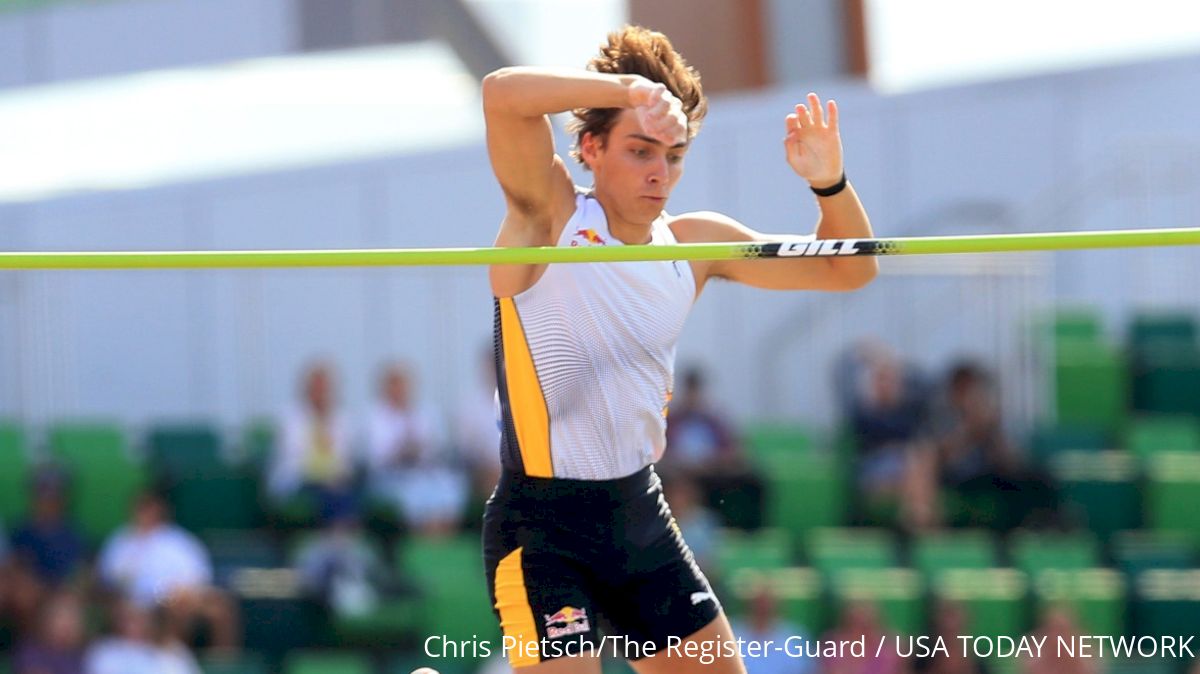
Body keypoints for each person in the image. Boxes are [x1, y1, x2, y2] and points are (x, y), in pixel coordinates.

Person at [479, 25, 876, 673]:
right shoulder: (546, 217)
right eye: (640, 150)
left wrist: (829, 184)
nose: (659, 173)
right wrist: (627, 89)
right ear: (591, 147)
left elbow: (850, 270)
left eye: (674, 154)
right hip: (543, 530)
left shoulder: (696, 244)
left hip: (639, 522)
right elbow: (502, 95)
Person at [96, 490, 239, 652]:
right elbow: (109, 578)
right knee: (175, 609)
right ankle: (172, 659)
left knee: (220, 607)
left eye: (152, 509)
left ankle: (222, 663)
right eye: (143, 509)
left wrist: (184, 591)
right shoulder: (120, 541)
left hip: (181, 597)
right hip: (138, 601)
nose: (147, 514)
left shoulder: (178, 539)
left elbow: (200, 574)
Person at [366, 362, 466, 536]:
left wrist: (419, 449)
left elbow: (436, 448)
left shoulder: (425, 412)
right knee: (412, 497)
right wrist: (403, 449)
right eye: (394, 385)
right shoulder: (376, 417)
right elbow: (377, 457)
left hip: (424, 471)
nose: (399, 390)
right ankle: (420, 540)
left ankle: (445, 540)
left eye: (403, 385)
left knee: (450, 486)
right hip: (391, 476)